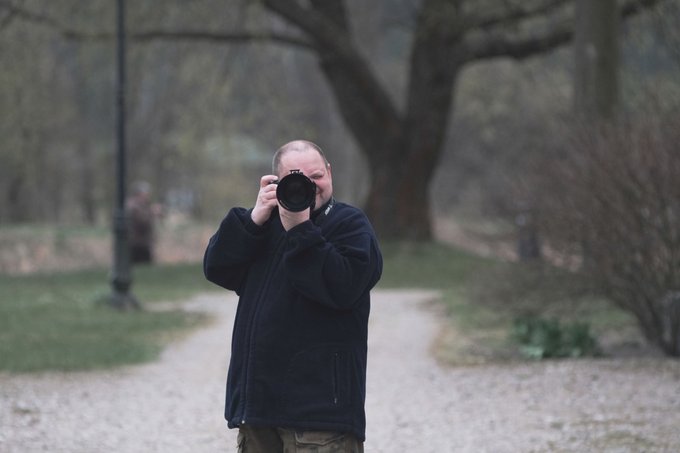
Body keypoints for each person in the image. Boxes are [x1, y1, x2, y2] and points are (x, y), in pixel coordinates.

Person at [203, 140, 382, 452]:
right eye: (297, 178)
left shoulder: (350, 224)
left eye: (317, 176)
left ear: (330, 173)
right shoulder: (263, 226)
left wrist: (300, 230)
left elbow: (343, 287)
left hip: (322, 410)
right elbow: (217, 268)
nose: (309, 186)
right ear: (277, 181)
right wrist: (254, 219)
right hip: (259, 406)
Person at [125, 181, 158, 264]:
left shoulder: (142, 205)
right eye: (146, 193)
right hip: (137, 244)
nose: (148, 196)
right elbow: (141, 222)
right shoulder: (133, 206)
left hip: (142, 243)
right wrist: (152, 213)